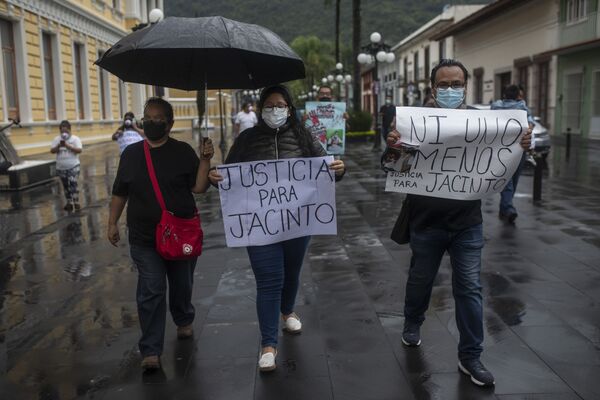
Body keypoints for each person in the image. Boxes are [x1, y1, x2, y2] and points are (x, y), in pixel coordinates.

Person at [383, 59, 531, 387]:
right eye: (444, 85)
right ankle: (412, 320)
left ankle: (471, 357)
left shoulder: (484, 122)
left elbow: (507, 158)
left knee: (469, 288)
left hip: (467, 223)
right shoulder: (412, 122)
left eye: (457, 84)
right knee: (421, 280)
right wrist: (394, 147)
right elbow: (395, 169)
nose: (451, 90)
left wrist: (522, 147)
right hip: (426, 222)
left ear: (466, 86)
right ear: (432, 88)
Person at [208, 85, 345, 372]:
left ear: (290, 108)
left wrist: (339, 169)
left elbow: (326, 166)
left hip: (298, 222)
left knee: (291, 273)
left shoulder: (304, 136)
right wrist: (215, 176)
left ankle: (287, 310)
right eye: (268, 105)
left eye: (280, 104)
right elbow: (229, 175)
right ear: (260, 110)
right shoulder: (246, 139)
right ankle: (268, 344)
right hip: (259, 226)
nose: (274, 110)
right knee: (270, 280)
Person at [107, 97, 215, 371]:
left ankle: (183, 317)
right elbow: (120, 191)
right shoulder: (131, 154)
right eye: (148, 117)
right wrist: (112, 222)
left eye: (158, 118)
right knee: (151, 288)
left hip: (180, 235)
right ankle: (151, 349)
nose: (152, 122)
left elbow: (199, 188)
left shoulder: (182, 152)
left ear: (169, 123)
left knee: (181, 284)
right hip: (144, 238)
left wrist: (205, 160)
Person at [491, 84, 535, 223]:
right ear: (518, 96)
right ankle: (508, 207)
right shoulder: (522, 106)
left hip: (500, 148)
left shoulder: (496, 106)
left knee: (508, 179)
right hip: (519, 148)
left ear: (504, 95)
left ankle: (505, 208)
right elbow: (530, 125)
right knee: (512, 179)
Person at [50, 120, 83, 211]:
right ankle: (69, 202)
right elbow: (52, 151)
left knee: (73, 183)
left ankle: (76, 202)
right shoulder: (57, 139)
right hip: (61, 167)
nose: (64, 133)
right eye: (62, 131)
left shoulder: (75, 139)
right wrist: (58, 146)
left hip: (73, 165)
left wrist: (68, 146)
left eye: (66, 131)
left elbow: (79, 150)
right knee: (65, 186)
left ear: (70, 130)